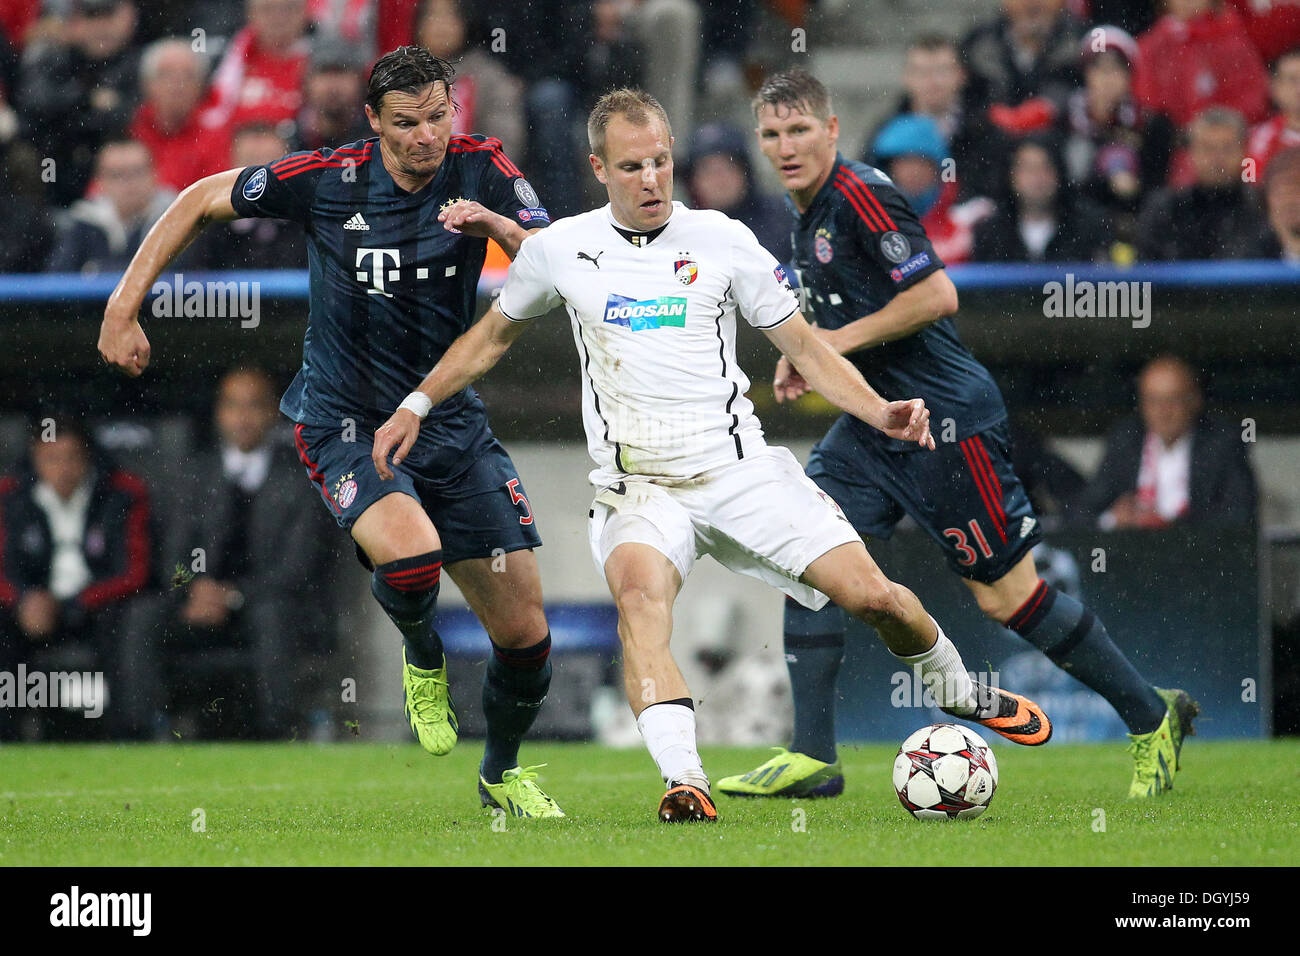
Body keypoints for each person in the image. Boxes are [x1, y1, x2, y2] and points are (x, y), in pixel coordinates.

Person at [371, 88, 1054, 824]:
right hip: (639, 488)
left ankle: (954, 689)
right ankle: (684, 780)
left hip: (741, 472)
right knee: (641, 605)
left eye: (662, 161)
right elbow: (487, 340)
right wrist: (415, 403)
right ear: (599, 167)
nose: (651, 179)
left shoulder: (722, 238)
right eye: (632, 166)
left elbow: (804, 349)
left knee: (875, 599)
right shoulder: (559, 250)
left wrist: (879, 411)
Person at [98, 47, 564, 817]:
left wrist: (493, 224)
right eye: (407, 123)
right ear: (374, 122)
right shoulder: (325, 177)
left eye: (438, 118)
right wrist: (123, 307)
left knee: (527, 637)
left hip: (447, 418)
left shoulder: (484, 168)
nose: (426, 137)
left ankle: (502, 773)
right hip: (345, 419)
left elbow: (554, 260)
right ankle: (423, 655)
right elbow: (195, 198)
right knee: (412, 558)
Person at [725, 68, 1195, 801]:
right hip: (872, 423)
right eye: (773, 134)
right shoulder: (806, 212)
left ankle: (1149, 715)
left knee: (1007, 599)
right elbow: (840, 317)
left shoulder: (862, 195)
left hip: (943, 421)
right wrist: (807, 357)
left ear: (832, 130)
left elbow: (935, 293)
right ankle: (814, 756)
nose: (786, 146)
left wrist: (833, 345)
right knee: (806, 553)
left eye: (800, 130)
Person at [163, 366, 336, 736]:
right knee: (140, 617)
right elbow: (171, 559)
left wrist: (235, 595)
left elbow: (298, 569)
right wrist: (192, 589)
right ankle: (140, 736)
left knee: (272, 616)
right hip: (199, 608)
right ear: (218, 413)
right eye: (232, 405)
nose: (242, 417)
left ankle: (278, 736)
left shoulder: (302, 479)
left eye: (254, 405)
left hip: (271, 608)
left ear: (274, 412)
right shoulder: (193, 474)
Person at [0, 419, 158, 740]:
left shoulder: (121, 494)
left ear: (88, 457)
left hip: (99, 608)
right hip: (29, 611)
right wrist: (23, 600)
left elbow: (134, 572)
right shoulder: (9, 497)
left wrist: (73, 603)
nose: (62, 469)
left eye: (71, 457)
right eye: (51, 458)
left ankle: (129, 736)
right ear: (35, 459)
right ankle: (8, 737)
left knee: (131, 620)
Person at [1078, 356, 1257, 528]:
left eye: (1173, 400)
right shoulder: (1126, 440)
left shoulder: (1222, 442)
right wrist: (1112, 518)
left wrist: (1168, 525)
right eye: (1153, 400)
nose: (1163, 412)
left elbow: (1239, 516)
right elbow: (1082, 509)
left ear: (1194, 400)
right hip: (1133, 551)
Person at [1136, 106, 1274, 260]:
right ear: (1191, 153)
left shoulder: (1264, 206)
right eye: (1207, 148)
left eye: (1227, 148)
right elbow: (1148, 270)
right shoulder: (1165, 209)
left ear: (1244, 152)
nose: (1217, 158)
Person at [971, 134, 1112, 263]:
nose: (1037, 178)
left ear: (1059, 174)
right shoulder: (990, 233)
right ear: (1011, 176)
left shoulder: (1089, 228)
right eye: (1028, 168)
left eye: (1045, 167)